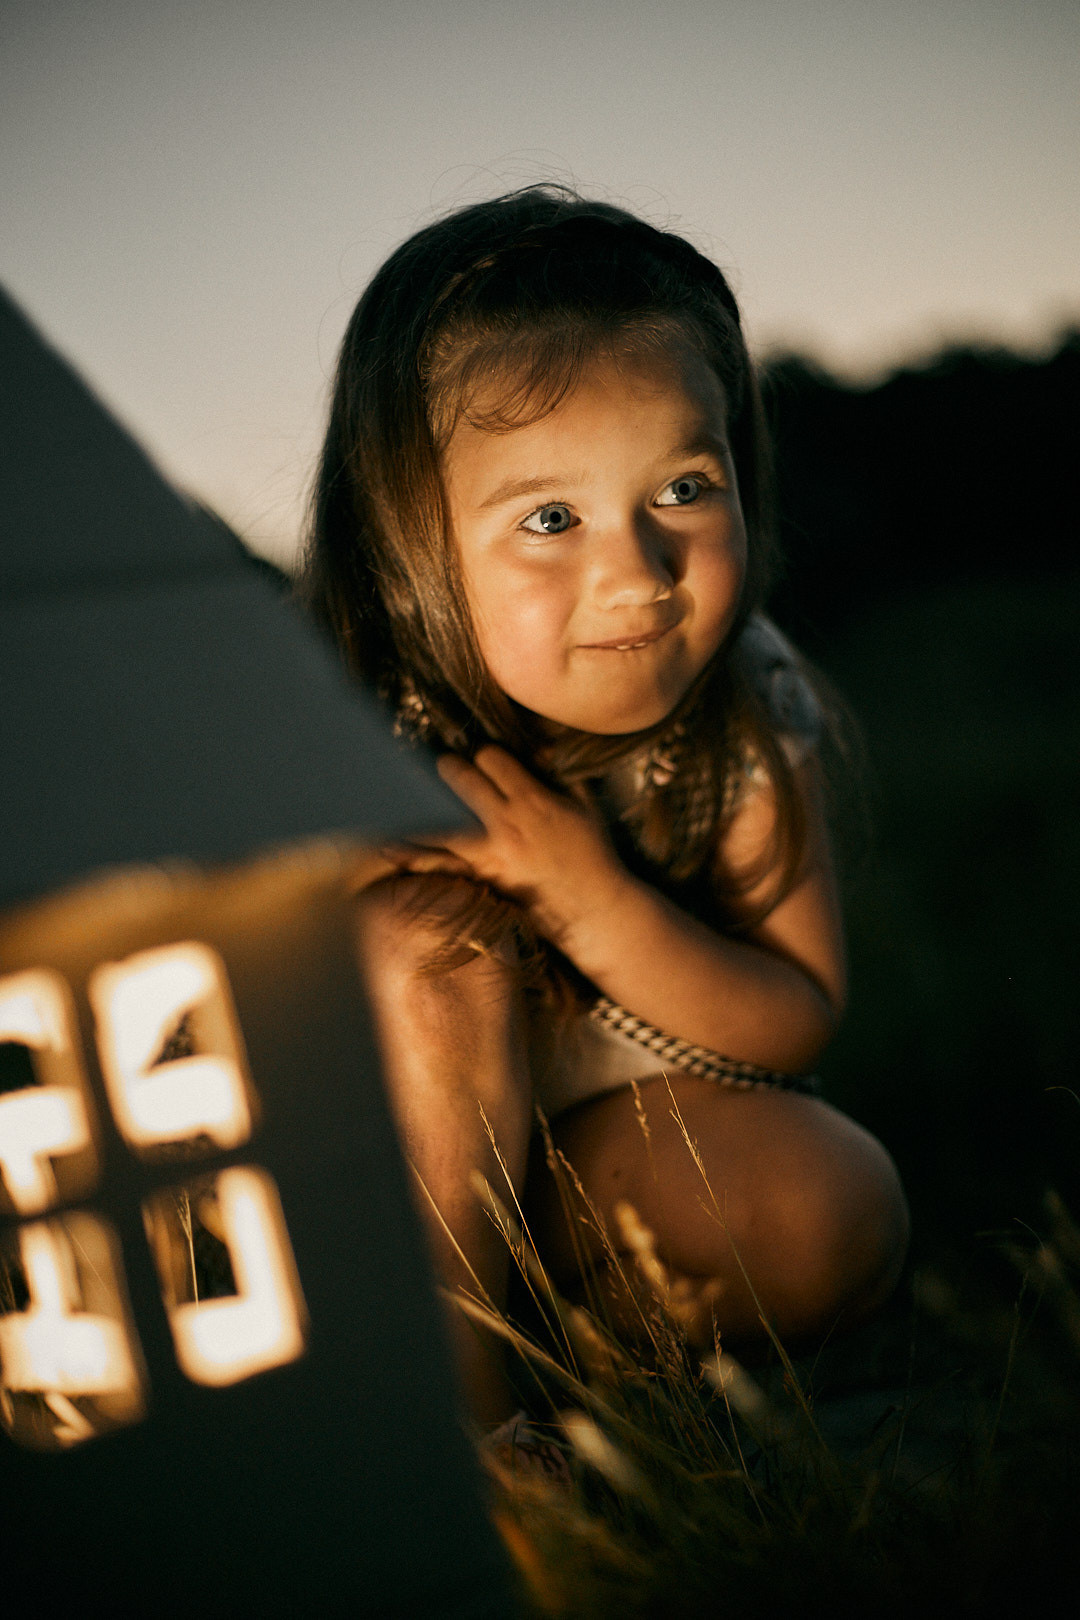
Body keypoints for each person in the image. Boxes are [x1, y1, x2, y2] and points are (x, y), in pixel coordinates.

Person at [301, 185, 910, 1436]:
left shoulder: (745, 703)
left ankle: (578, 1377)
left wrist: (592, 901)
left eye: (684, 487)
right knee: (420, 947)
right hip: (365, 1207)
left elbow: (790, 1019)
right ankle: (466, 1441)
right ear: (411, 542)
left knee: (837, 1207)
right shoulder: (343, 725)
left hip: (593, 1179)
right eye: (550, 518)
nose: (638, 574)